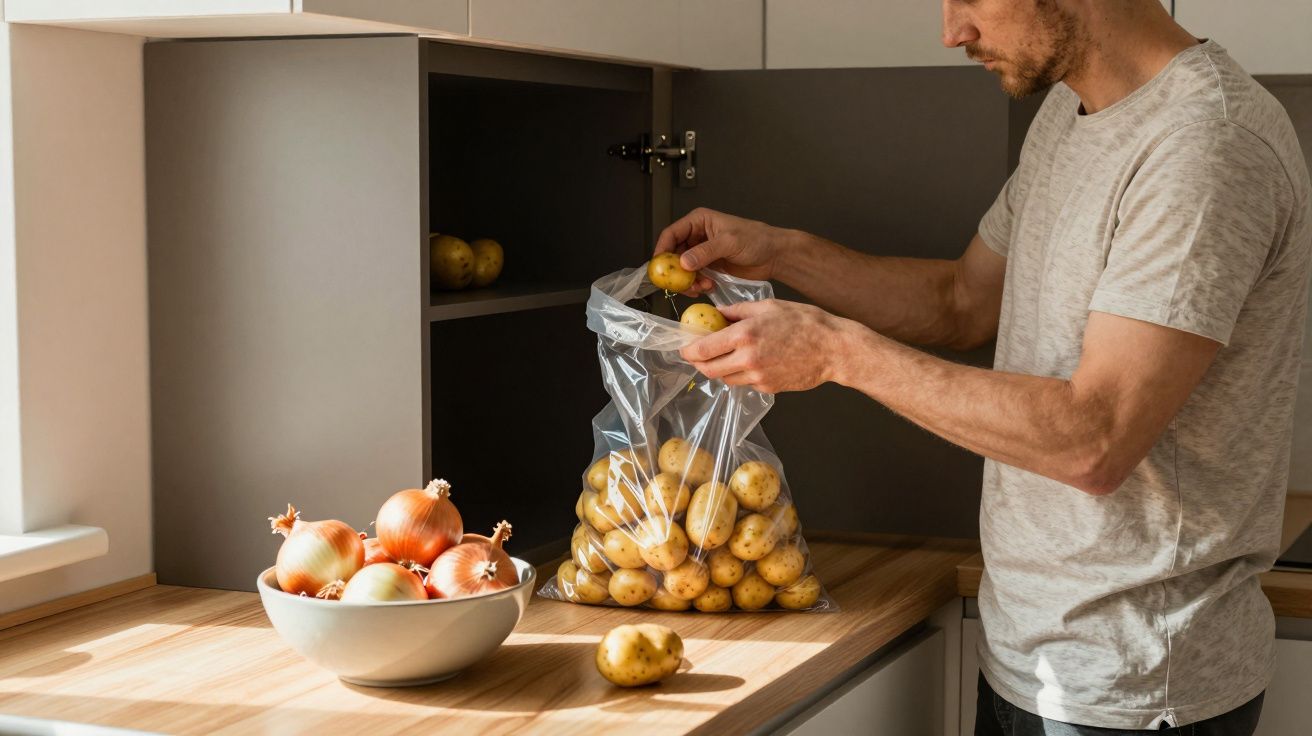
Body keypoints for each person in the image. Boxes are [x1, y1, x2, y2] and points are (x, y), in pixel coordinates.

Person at [655, 1, 1311, 733]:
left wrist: (838, 352)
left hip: (1133, 685)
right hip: (1030, 651)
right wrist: (782, 253)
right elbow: (961, 300)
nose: (952, 32)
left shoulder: (1205, 145)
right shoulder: (1073, 113)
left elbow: (1095, 439)